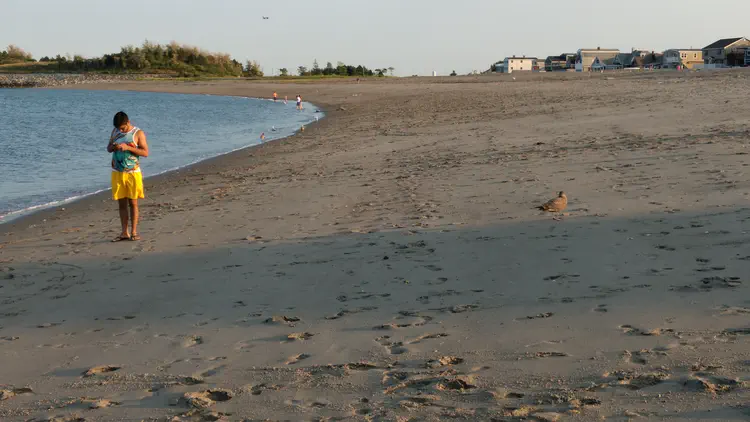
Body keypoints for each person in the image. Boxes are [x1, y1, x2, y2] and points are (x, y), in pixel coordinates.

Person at [107, 111, 149, 241]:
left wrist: (128, 148)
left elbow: (145, 152)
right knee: (122, 203)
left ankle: (134, 232)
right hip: (118, 172)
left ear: (128, 122)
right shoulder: (115, 132)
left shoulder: (138, 133)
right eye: (118, 128)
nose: (120, 130)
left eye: (122, 128)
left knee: (133, 202)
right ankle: (124, 232)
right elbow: (108, 148)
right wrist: (114, 147)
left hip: (133, 173)